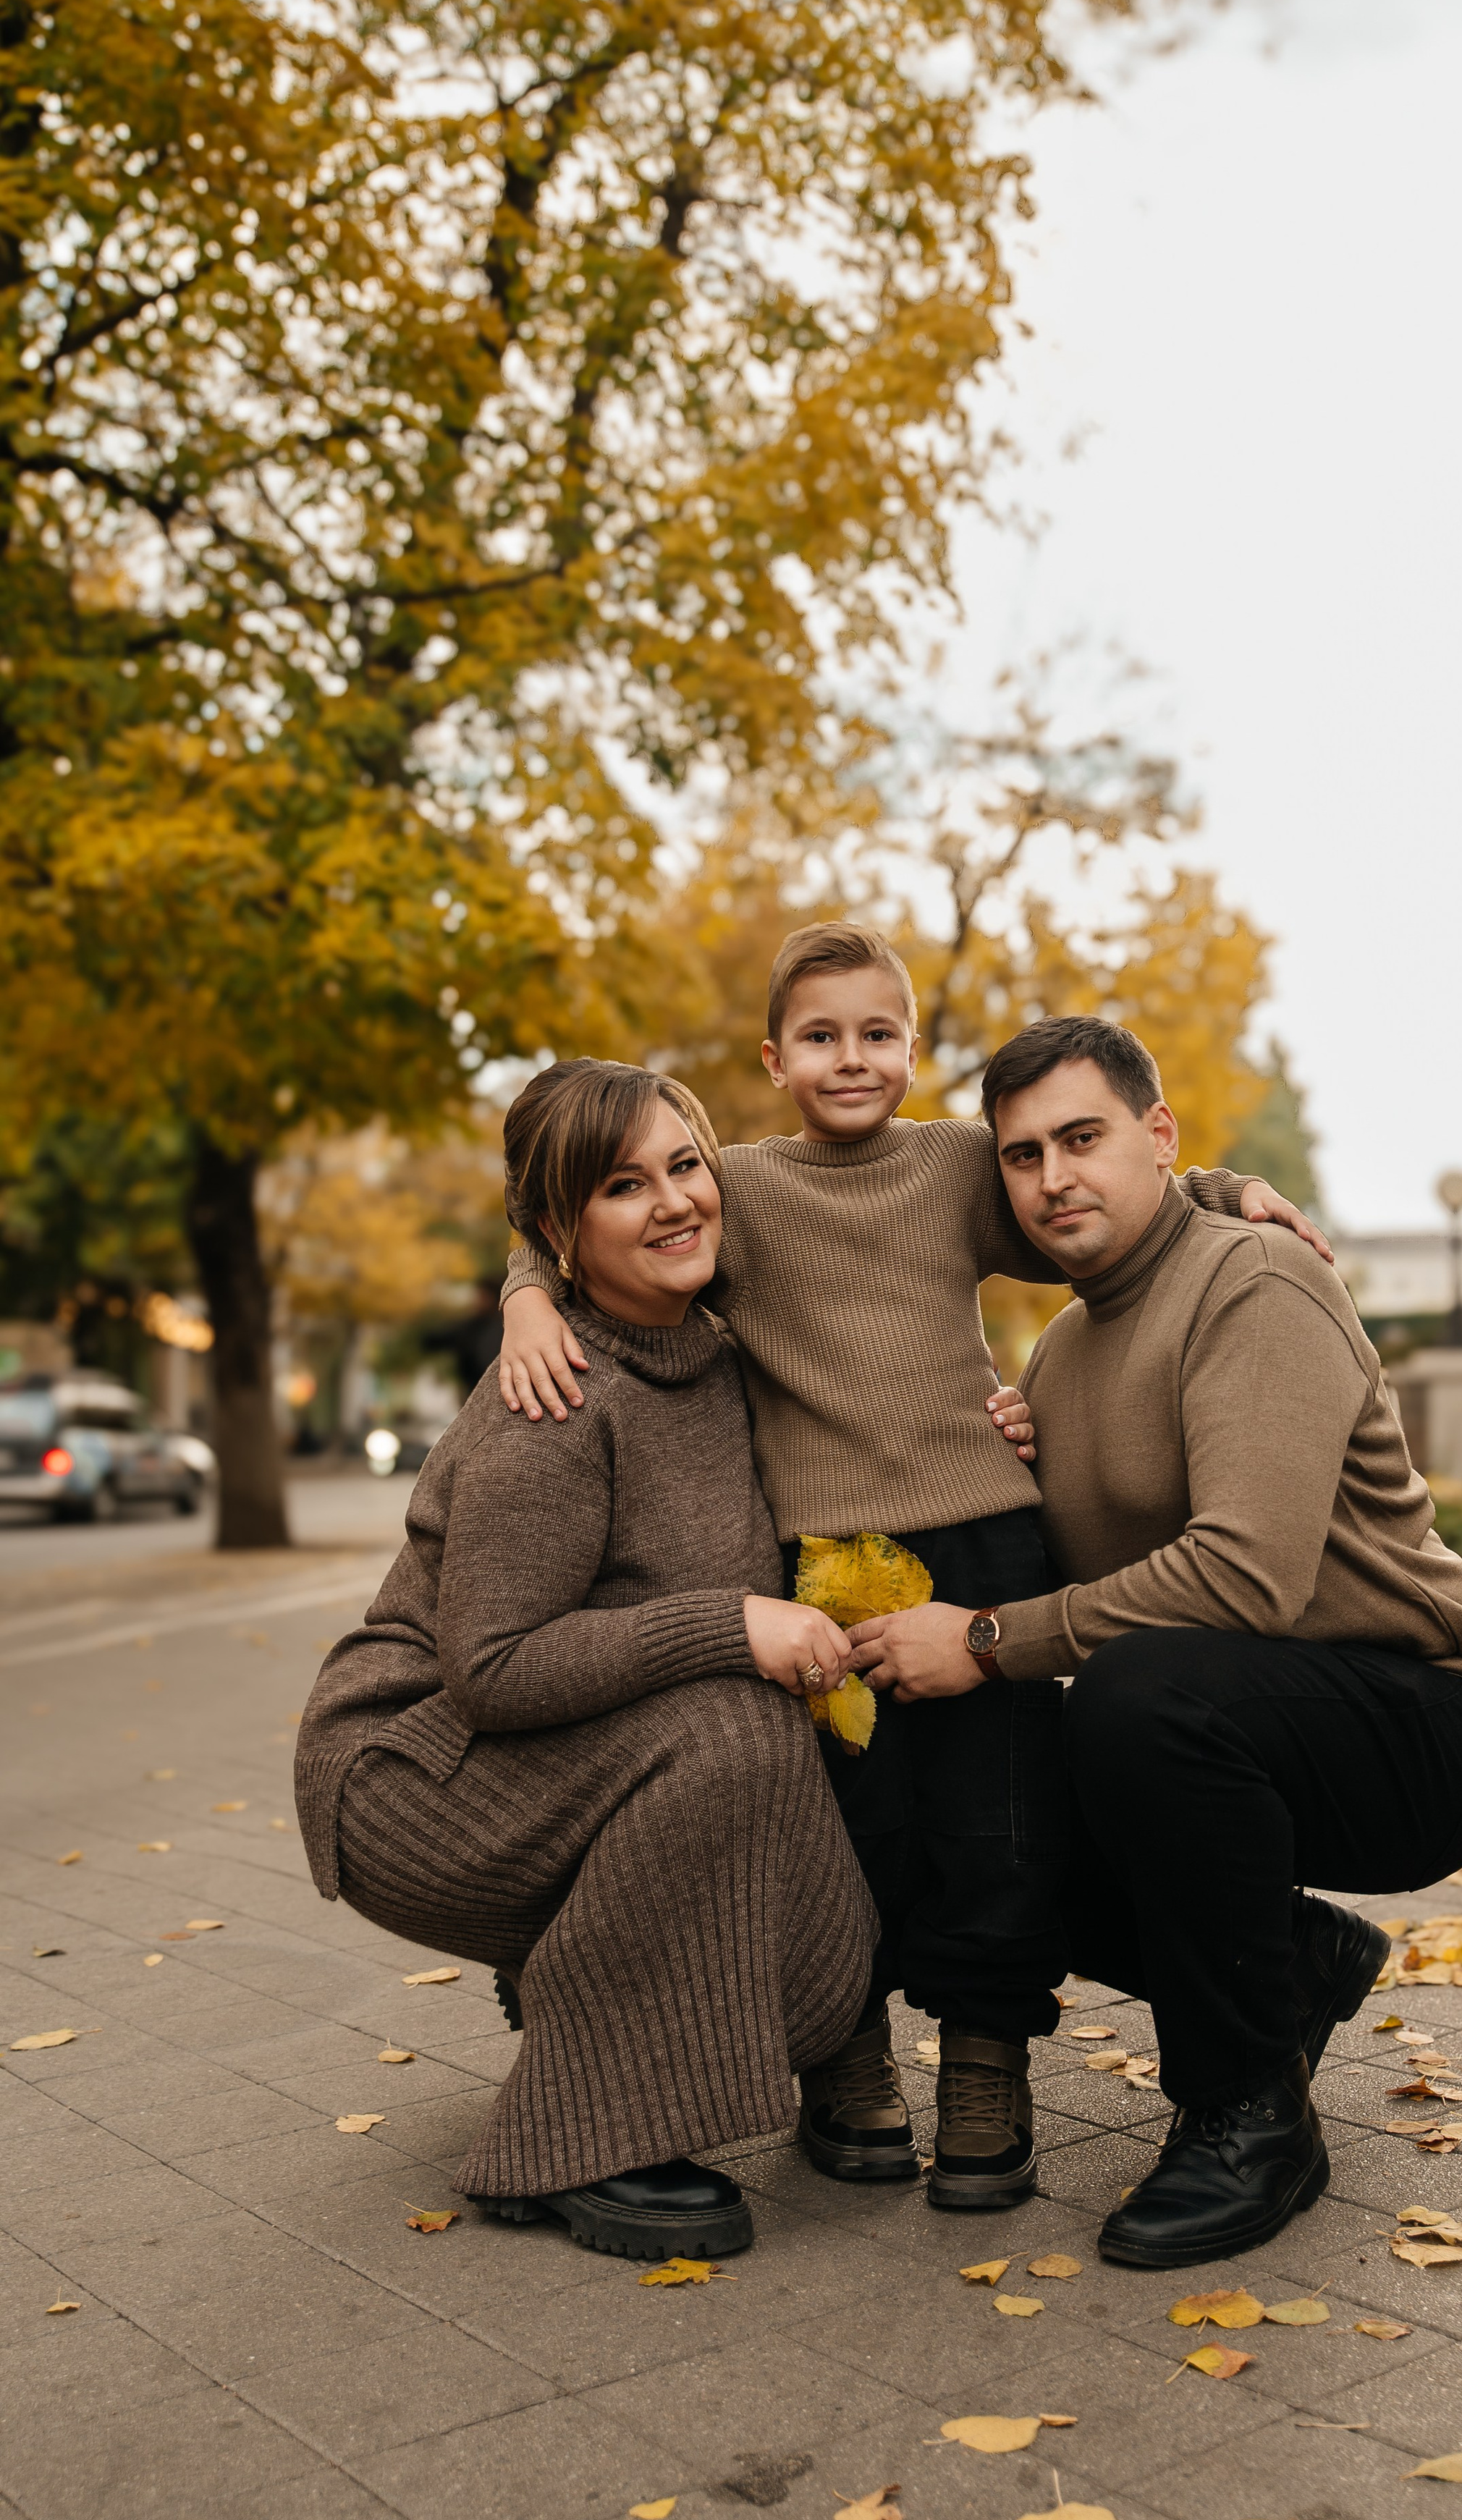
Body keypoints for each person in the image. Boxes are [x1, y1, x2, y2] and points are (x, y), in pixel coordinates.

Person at [497, 923, 1331, 2212]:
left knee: (1000, 1828)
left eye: (878, 1033)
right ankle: (848, 2064)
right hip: (822, 1568)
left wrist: (1229, 1188)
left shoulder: (956, 1167)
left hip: (986, 1542)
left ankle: (988, 2076)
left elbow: (1094, 1195)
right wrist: (525, 1294)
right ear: (773, 1060)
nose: (851, 1058)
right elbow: (585, 1196)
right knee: (844, 1830)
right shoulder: (739, 1190)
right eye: (820, 1037)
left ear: (913, 1046)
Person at [849, 1013, 1462, 2270]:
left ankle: (1248, 2116)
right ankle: (1286, 1960)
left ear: (1159, 1136)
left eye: (1084, 1138)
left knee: (1137, 1695)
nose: (1054, 1178)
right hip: (1255, 1723)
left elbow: (1247, 1578)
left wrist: (990, 1638)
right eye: (1021, 1155)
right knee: (989, 1799)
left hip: (1429, 1721)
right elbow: (1094, 1586)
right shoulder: (1060, 1352)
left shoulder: (1253, 1280)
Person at [294, 1061, 877, 2262]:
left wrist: (1216, 1195)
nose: (673, 1202)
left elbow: (927, 1205)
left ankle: (695, 2024)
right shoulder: (552, 1398)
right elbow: (494, 1667)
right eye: (624, 1186)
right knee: (733, 1723)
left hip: (543, 1745)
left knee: (791, 1708)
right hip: (414, 1769)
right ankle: (579, 2139)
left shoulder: (719, 1349)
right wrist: (732, 1624)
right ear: (564, 1231)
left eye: (685, 1166)